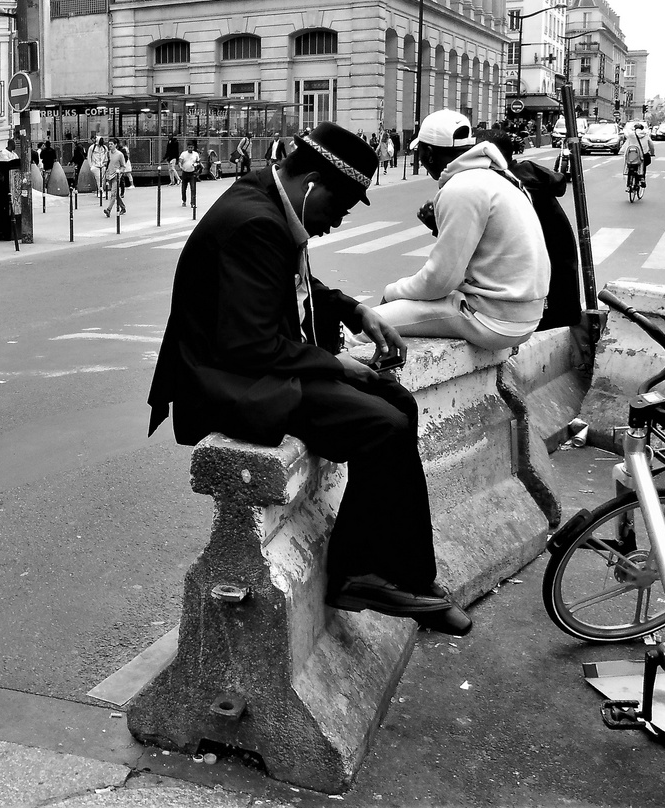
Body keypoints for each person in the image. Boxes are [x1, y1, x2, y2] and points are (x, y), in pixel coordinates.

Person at [148, 122, 469, 636]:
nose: (334, 224)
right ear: (312, 184)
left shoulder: (269, 203)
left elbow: (292, 282)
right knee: (381, 424)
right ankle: (362, 572)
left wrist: (353, 311)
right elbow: (249, 346)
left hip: (260, 367)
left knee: (398, 403)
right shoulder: (253, 221)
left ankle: (401, 573)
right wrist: (339, 365)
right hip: (230, 384)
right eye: (336, 210)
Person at [378, 110, 550, 351]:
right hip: (523, 315)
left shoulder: (462, 188)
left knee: (367, 326)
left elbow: (441, 280)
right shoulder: (500, 178)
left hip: (493, 319)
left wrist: (392, 292)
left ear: (427, 153)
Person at [488, 133, 581, 331]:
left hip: (540, 246)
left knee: (547, 306)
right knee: (561, 295)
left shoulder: (499, 181)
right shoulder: (527, 169)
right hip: (557, 242)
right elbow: (559, 183)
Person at [620, 121, 653, 190]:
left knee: (630, 165)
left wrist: (622, 151)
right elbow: (651, 145)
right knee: (644, 163)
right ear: (642, 129)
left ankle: (629, 184)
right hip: (642, 155)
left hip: (632, 154)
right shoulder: (646, 135)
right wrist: (652, 153)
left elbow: (626, 144)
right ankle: (642, 178)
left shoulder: (631, 135)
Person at [103, 138, 129, 217]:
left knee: (113, 194)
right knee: (116, 194)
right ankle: (123, 207)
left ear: (115, 145)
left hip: (116, 176)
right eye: (109, 144)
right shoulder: (108, 153)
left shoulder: (120, 154)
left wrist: (119, 172)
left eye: (111, 144)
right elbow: (104, 163)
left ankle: (108, 209)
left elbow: (123, 166)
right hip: (109, 176)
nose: (110, 145)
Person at [177, 140, 200, 207]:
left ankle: (192, 202)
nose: (190, 149)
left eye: (191, 147)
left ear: (193, 148)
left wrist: (196, 165)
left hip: (192, 173)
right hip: (185, 173)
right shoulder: (183, 154)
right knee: (184, 189)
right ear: (187, 147)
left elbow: (198, 162)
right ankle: (184, 200)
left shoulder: (195, 154)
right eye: (189, 147)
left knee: (193, 188)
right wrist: (180, 166)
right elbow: (180, 162)